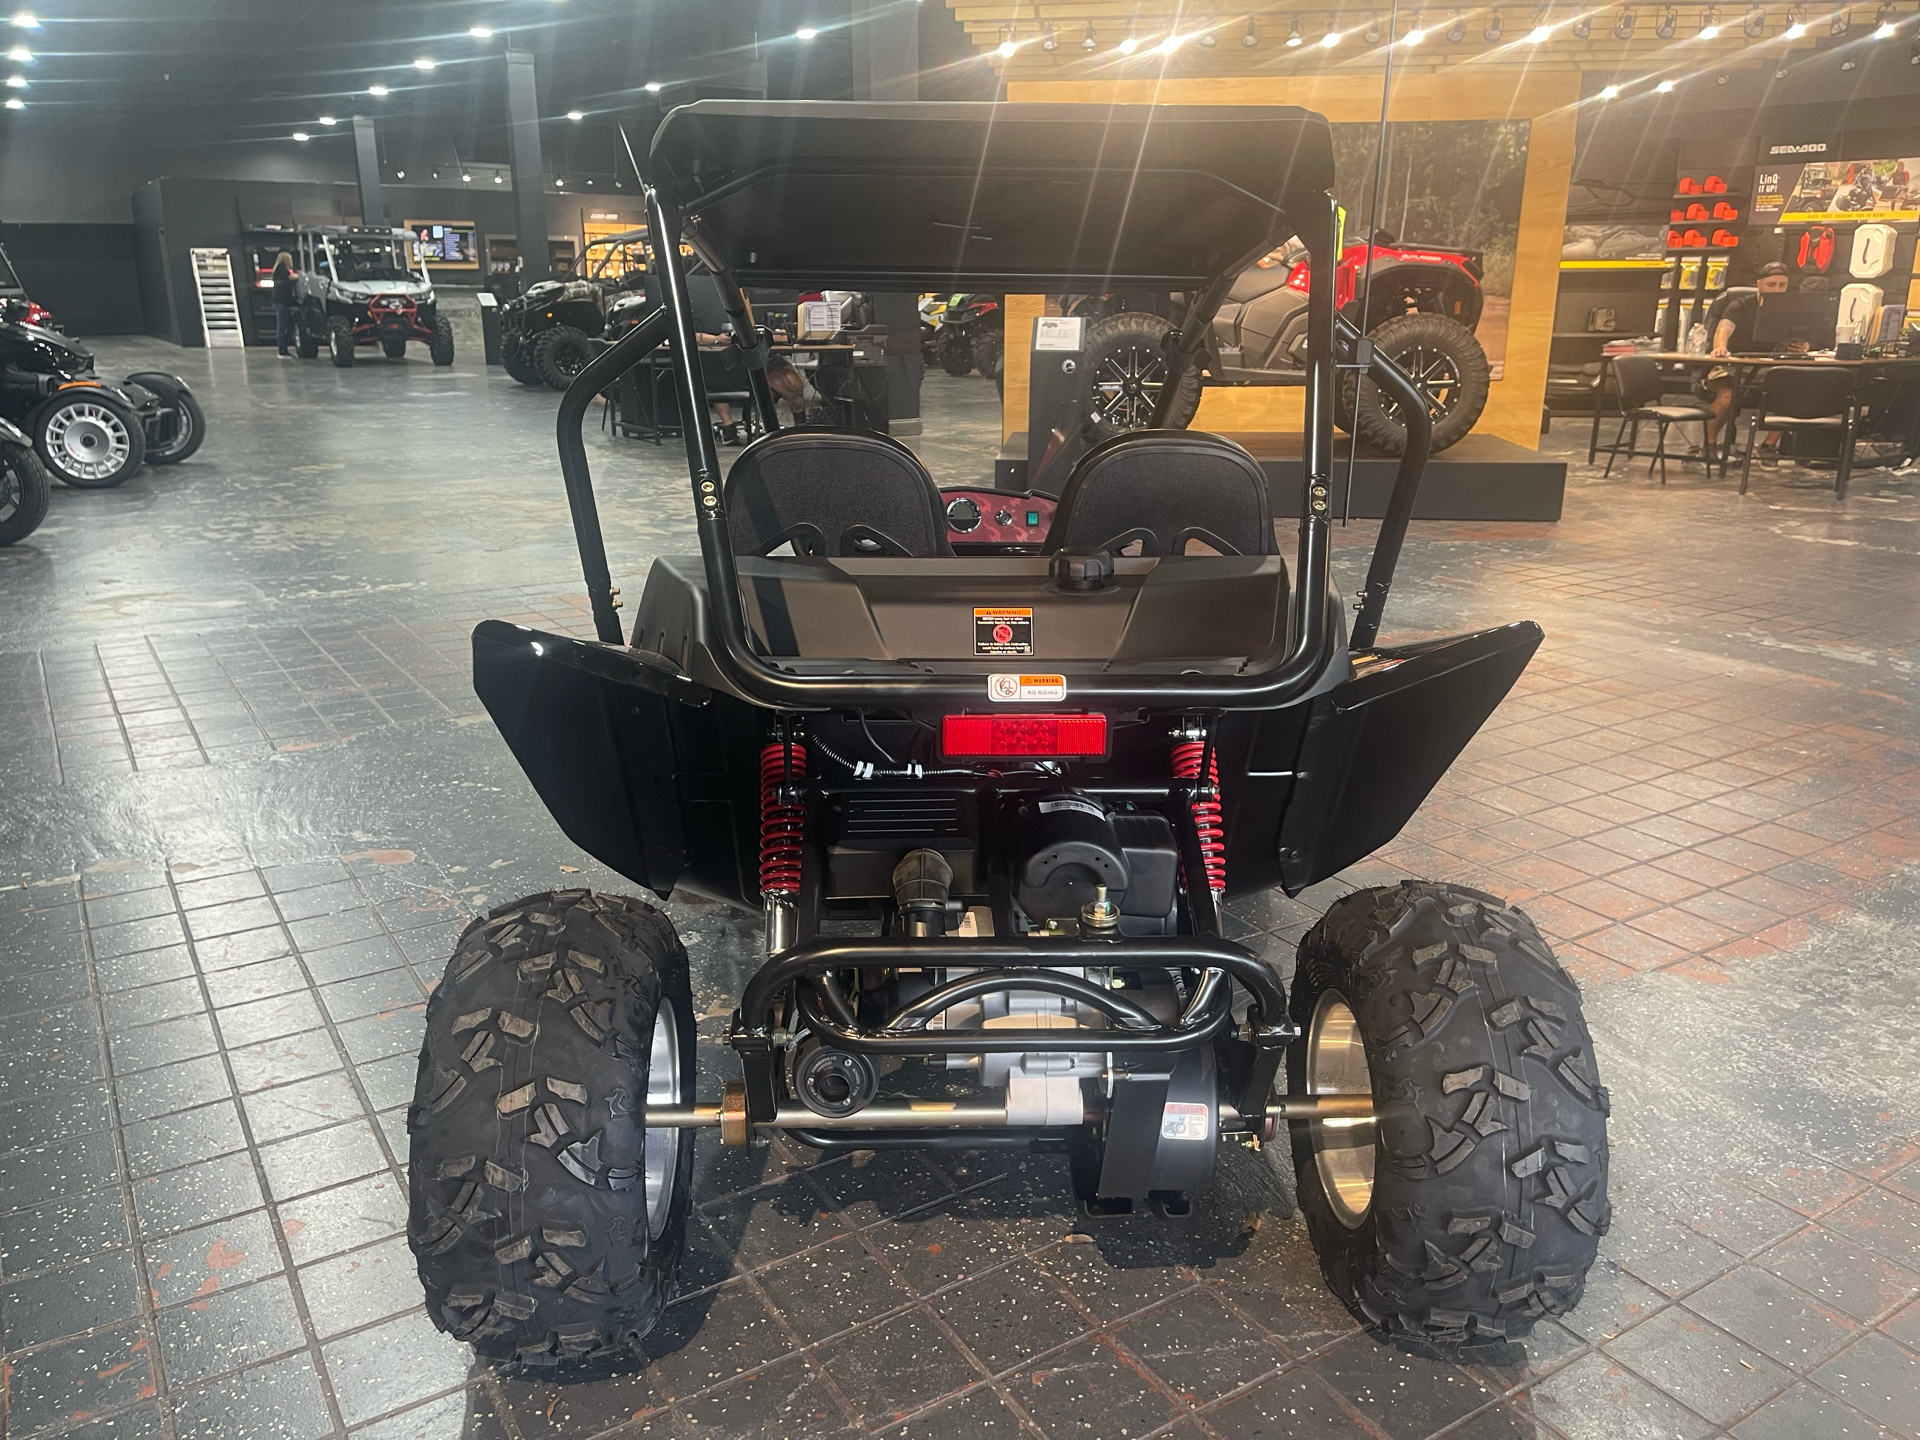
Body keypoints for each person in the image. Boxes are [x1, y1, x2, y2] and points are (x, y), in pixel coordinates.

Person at [1701, 261, 1791, 456]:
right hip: (1733, 366)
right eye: (1771, 284)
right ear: (1759, 284)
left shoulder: (1790, 310)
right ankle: (1708, 445)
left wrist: (1804, 345)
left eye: (1782, 285)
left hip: (1769, 369)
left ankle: (1768, 446)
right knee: (1727, 396)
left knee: (1794, 391)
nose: (1777, 290)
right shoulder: (1740, 305)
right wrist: (1720, 348)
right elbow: (1724, 328)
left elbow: (1804, 335)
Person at [270, 251, 296, 357]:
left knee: (285, 325)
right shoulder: (282, 269)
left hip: (279, 301)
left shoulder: (278, 270)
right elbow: (289, 279)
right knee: (283, 326)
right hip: (282, 301)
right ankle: (282, 349)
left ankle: (283, 347)